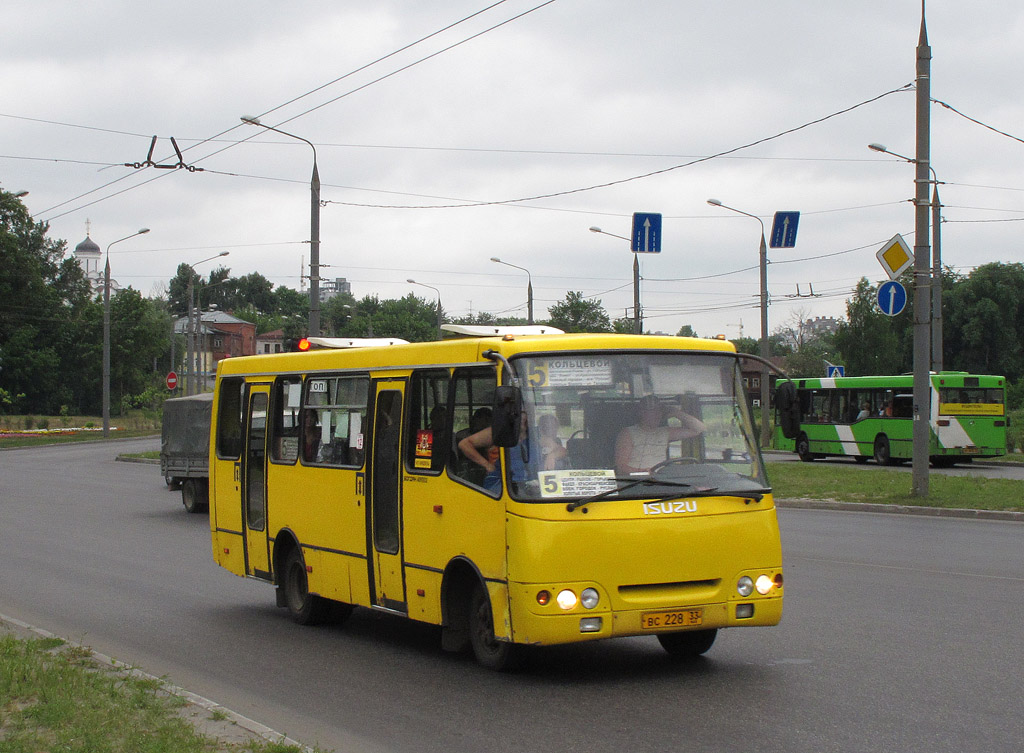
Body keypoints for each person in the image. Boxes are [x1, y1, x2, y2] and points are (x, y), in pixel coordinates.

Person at [615, 395, 705, 475]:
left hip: (661, 481)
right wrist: (643, 472)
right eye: (652, 411)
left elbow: (698, 429)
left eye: (659, 411)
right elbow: (621, 467)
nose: (657, 414)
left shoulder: (666, 432)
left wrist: (676, 413)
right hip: (635, 483)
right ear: (641, 413)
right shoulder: (628, 433)